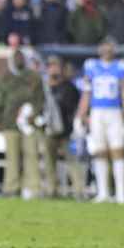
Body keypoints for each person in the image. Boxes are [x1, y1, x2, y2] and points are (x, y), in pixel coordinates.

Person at [75, 39, 124, 204]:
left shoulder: (120, 67)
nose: (106, 49)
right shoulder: (91, 66)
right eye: (104, 46)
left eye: (110, 47)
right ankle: (103, 192)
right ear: (99, 49)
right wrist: (80, 116)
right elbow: (86, 93)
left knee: (117, 150)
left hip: (114, 111)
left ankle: (121, 193)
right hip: (97, 112)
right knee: (99, 151)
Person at [0, 48, 45, 199]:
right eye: (16, 57)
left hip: (29, 124)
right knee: (12, 157)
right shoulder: (6, 77)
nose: (18, 60)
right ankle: (11, 188)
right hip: (9, 123)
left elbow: (40, 100)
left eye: (21, 57)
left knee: (31, 155)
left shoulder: (34, 77)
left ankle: (33, 188)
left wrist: (34, 115)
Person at [41, 55, 84, 199]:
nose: (53, 69)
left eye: (56, 66)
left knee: (72, 161)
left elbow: (74, 107)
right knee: (49, 162)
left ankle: (79, 191)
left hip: (66, 131)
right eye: (51, 66)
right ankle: (52, 190)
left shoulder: (69, 87)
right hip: (48, 130)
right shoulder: (44, 88)